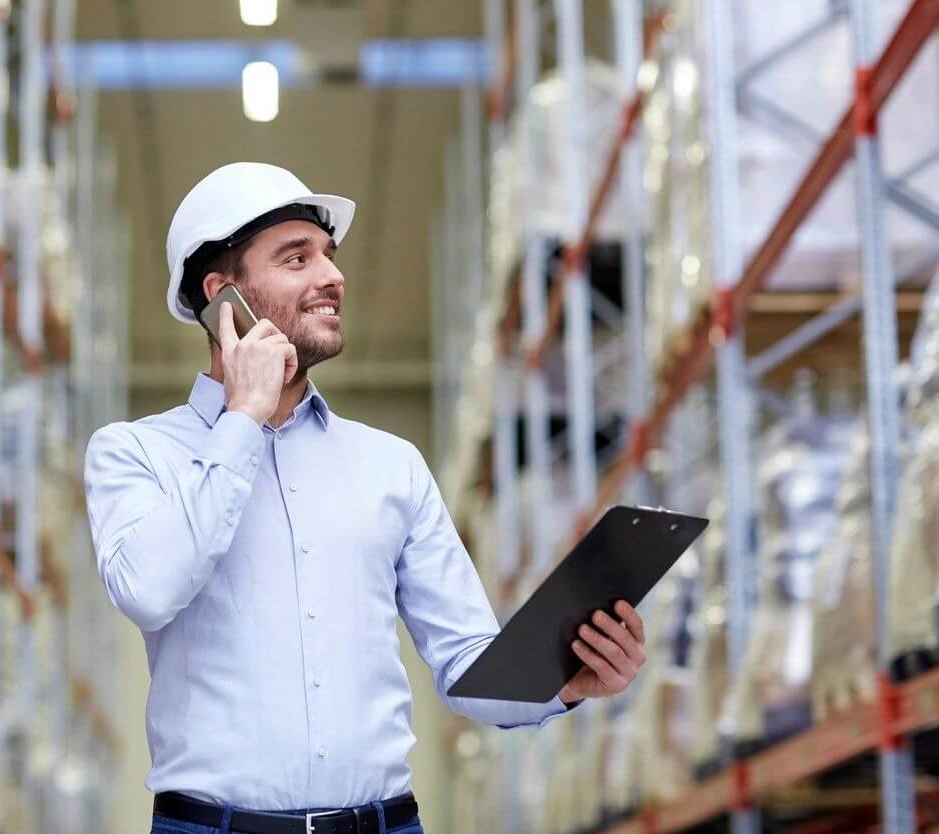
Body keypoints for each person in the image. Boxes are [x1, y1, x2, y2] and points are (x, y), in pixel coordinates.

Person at [83, 162, 648, 834]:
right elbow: (148, 590)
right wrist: (243, 417)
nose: (332, 276)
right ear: (222, 296)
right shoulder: (134, 453)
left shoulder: (391, 466)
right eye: (298, 258)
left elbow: (467, 659)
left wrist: (562, 680)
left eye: (329, 256)